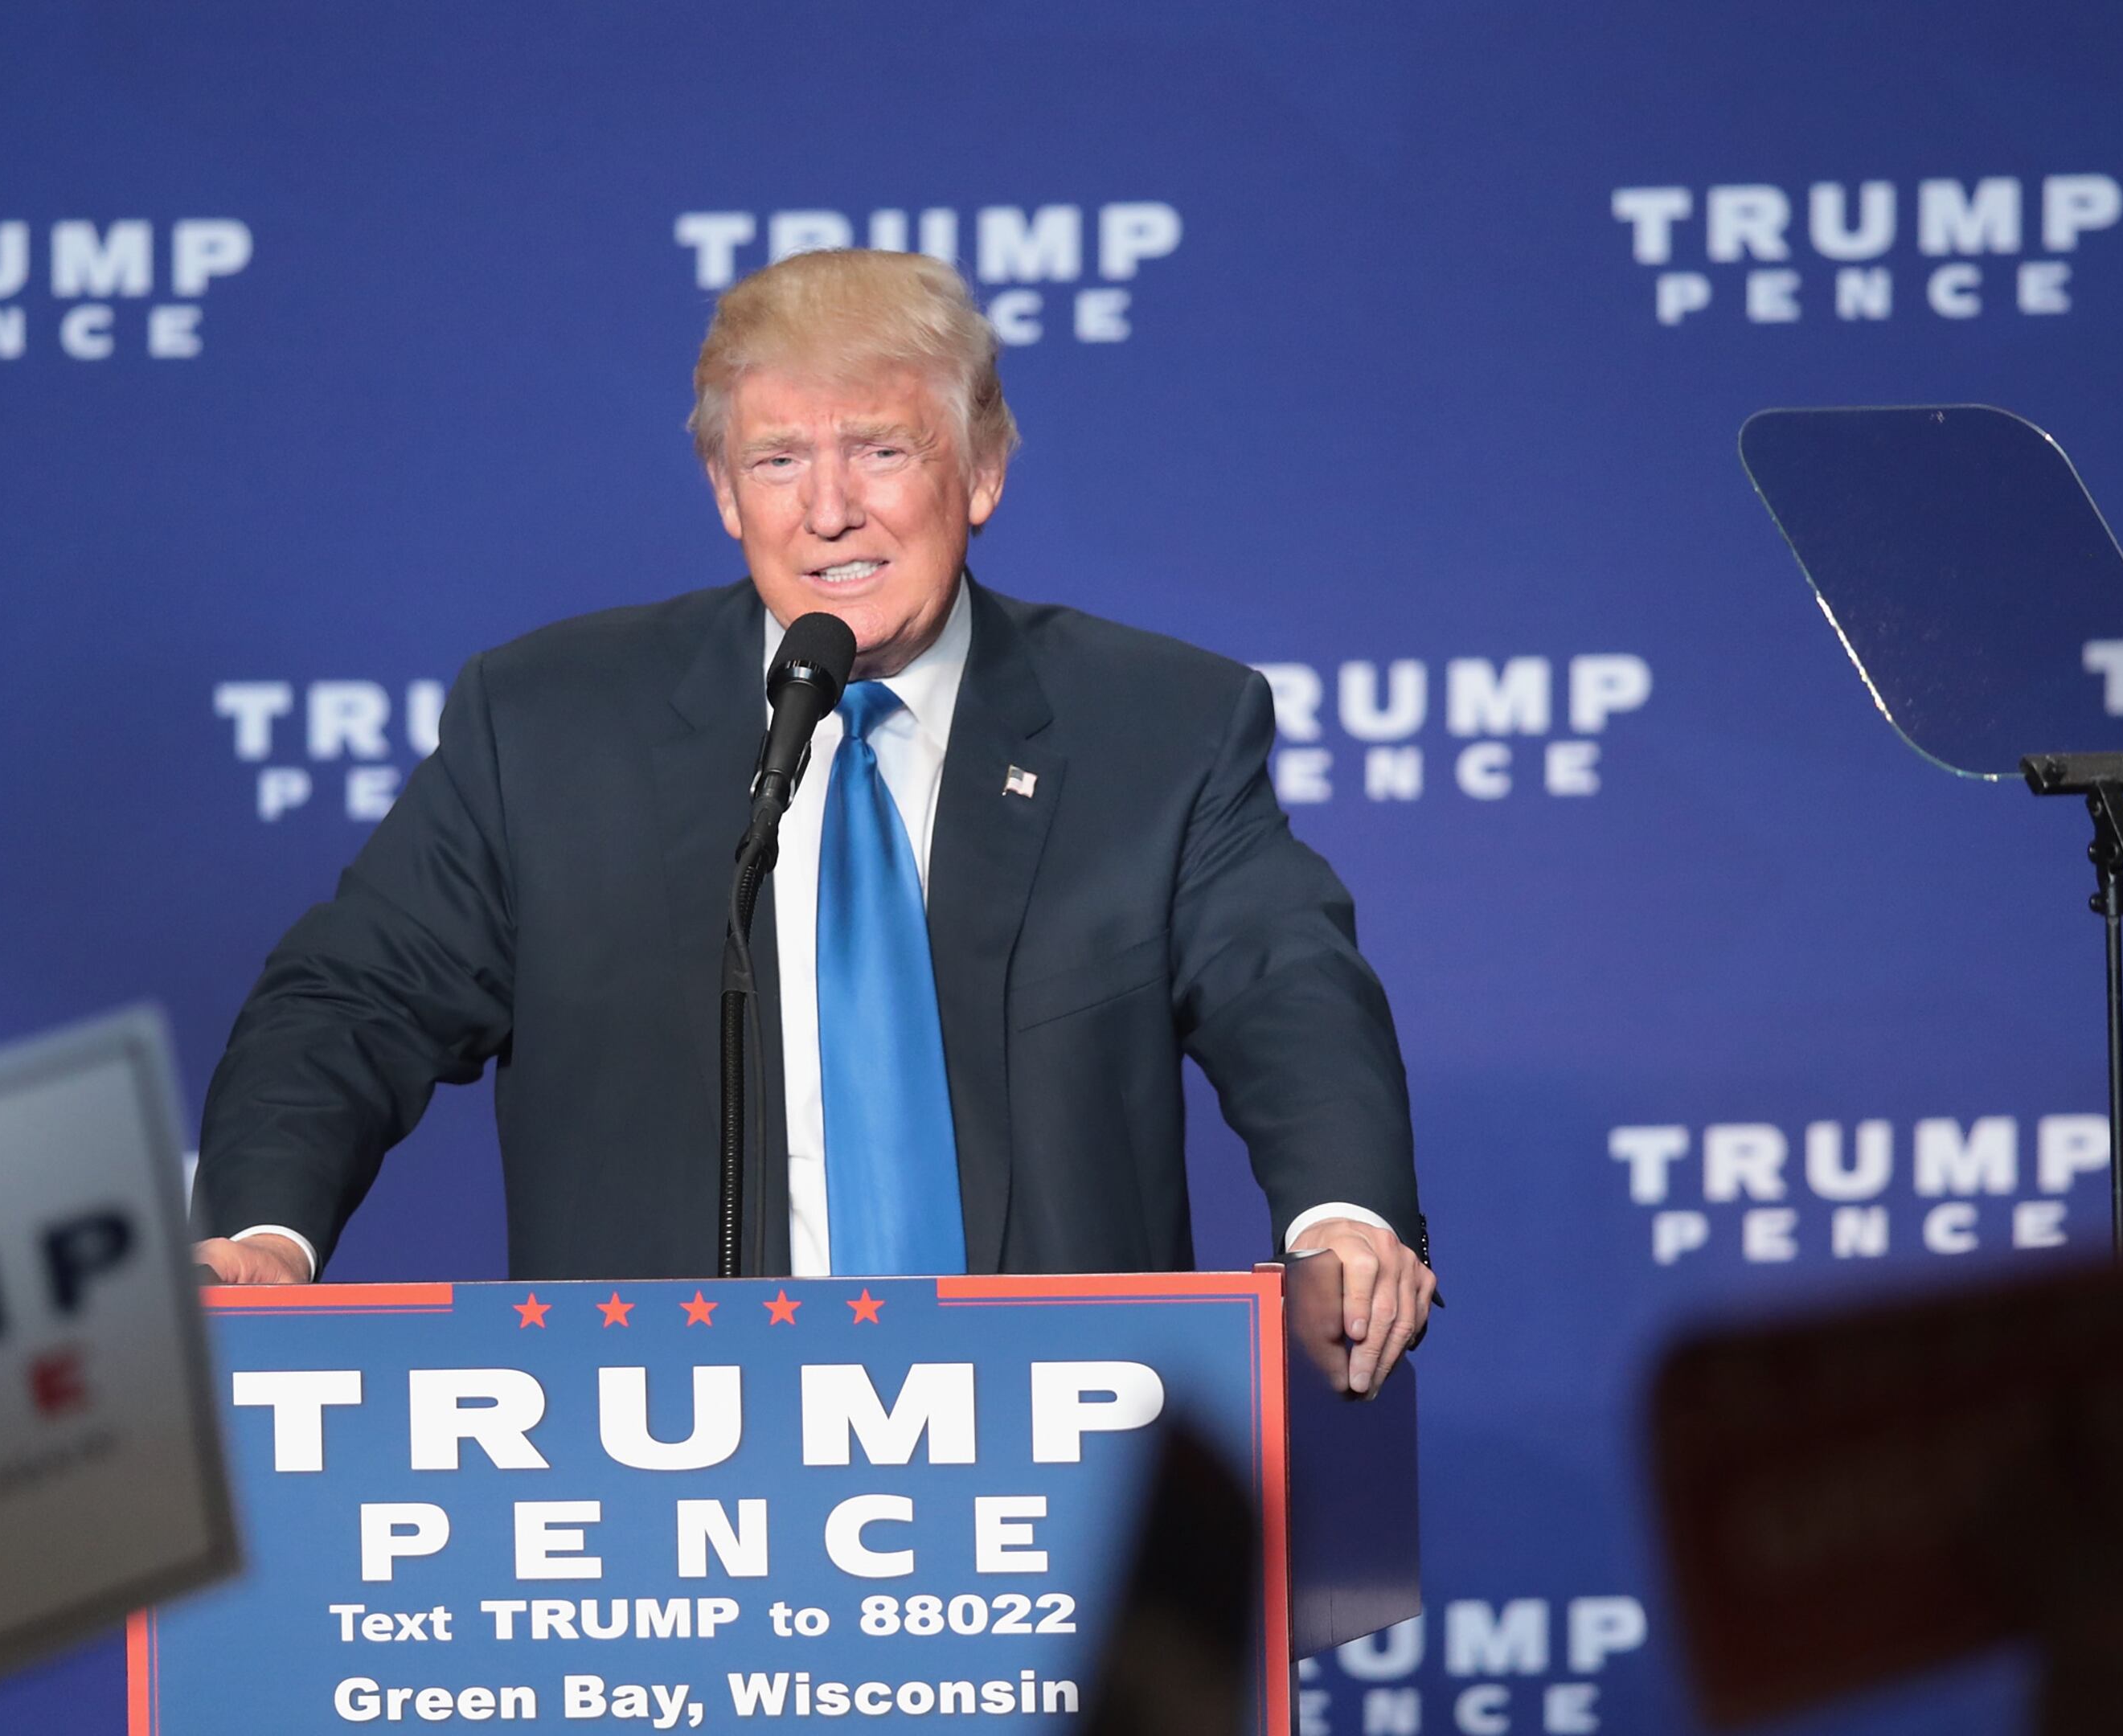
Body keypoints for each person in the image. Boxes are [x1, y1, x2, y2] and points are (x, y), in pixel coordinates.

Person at [192, 248, 1434, 1390]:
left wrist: (1345, 1219)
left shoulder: (1158, 726)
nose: (827, 510)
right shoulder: (548, 728)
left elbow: (1287, 985)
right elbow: (355, 999)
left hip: (1062, 1452)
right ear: (727, 494)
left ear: (985, 469)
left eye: (883, 452)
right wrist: (263, 1232)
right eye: (778, 461)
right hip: (658, 1464)